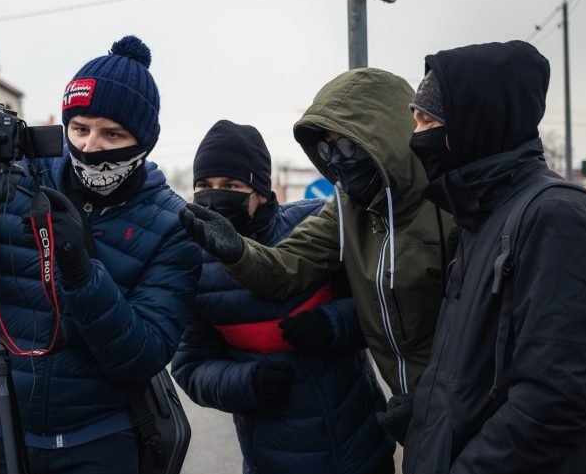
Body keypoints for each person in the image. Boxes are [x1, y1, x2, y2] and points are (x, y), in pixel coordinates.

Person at [0, 35, 199, 474]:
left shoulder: (171, 225)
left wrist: (80, 270)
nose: (91, 146)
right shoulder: (12, 185)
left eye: (112, 133)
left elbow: (141, 356)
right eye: (80, 128)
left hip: (95, 440)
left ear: (145, 141)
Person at [178, 68, 457, 443]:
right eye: (326, 149)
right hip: (279, 451)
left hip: (383, 431)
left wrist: (331, 324)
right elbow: (282, 269)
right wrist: (246, 383)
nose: (337, 159)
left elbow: (470, 326)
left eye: (346, 145)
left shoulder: (453, 201)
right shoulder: (347, 207)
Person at [402, 40, 586, 474]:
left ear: (478, 121)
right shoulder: (483, 216)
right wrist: (426, 415)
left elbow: (554, 399)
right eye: (416, 120)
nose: (417, 137)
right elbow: (479, 368)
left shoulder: (557, 218)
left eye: (429, 119)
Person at [170, 120, 394, 474]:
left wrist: (331, 323)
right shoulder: (192, 265)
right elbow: (191, 366)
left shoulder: (315, 227)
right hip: (274, 462)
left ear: (261, 189)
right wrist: (247, 383)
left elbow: (379, 307)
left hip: (360, 449)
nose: (214, 196)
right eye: (204, 186)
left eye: (230, 185)